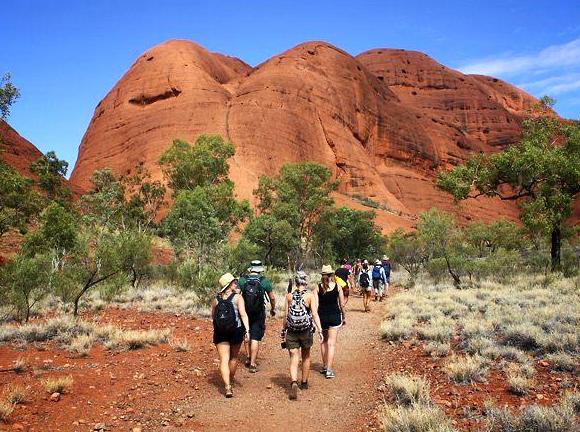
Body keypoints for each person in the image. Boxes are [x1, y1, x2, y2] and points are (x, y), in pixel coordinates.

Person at [282, 271, 323, 400]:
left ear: (295, 282)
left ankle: (294, 382)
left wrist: (283, 331)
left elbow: (285, 316)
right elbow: (315, 314)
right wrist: (320, 330)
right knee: (306, 356)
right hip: (306, 330)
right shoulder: (310, 296)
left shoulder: (289, 296)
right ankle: (304, 383)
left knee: (294, 357)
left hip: (292, 331)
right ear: (306, 281)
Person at [212, 273, 250, 398]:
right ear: (229, 285)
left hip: (220, 332)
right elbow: (243, 314)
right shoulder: (238, 298)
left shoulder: (215, 300)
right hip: (236, 331)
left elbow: (213, 317)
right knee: (233, 358)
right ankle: (230, 380)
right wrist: (247, 331)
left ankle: (227, 386)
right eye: (234, 282)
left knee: (223, 359)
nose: (236, 284)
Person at [238, 260, 276, 373]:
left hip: (245, 311)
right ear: (260, 269)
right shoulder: (264, 281)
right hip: (258, 312)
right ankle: (253, 364)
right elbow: (272, 297)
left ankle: (248, 357)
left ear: (251, 268)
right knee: (255, 337)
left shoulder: (242, 280)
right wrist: (273, 308)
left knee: (246, 332)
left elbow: (237, 295)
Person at [317, 265, 346, 379]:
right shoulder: (337, 287)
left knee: (323, 342)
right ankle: (329, 370)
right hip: (334, 316)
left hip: (322, 317)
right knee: (331, 344)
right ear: (332, 275)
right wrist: (344, 316)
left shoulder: (318, 288)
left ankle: (324, 366)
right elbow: (342, 304)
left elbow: (315, 305)